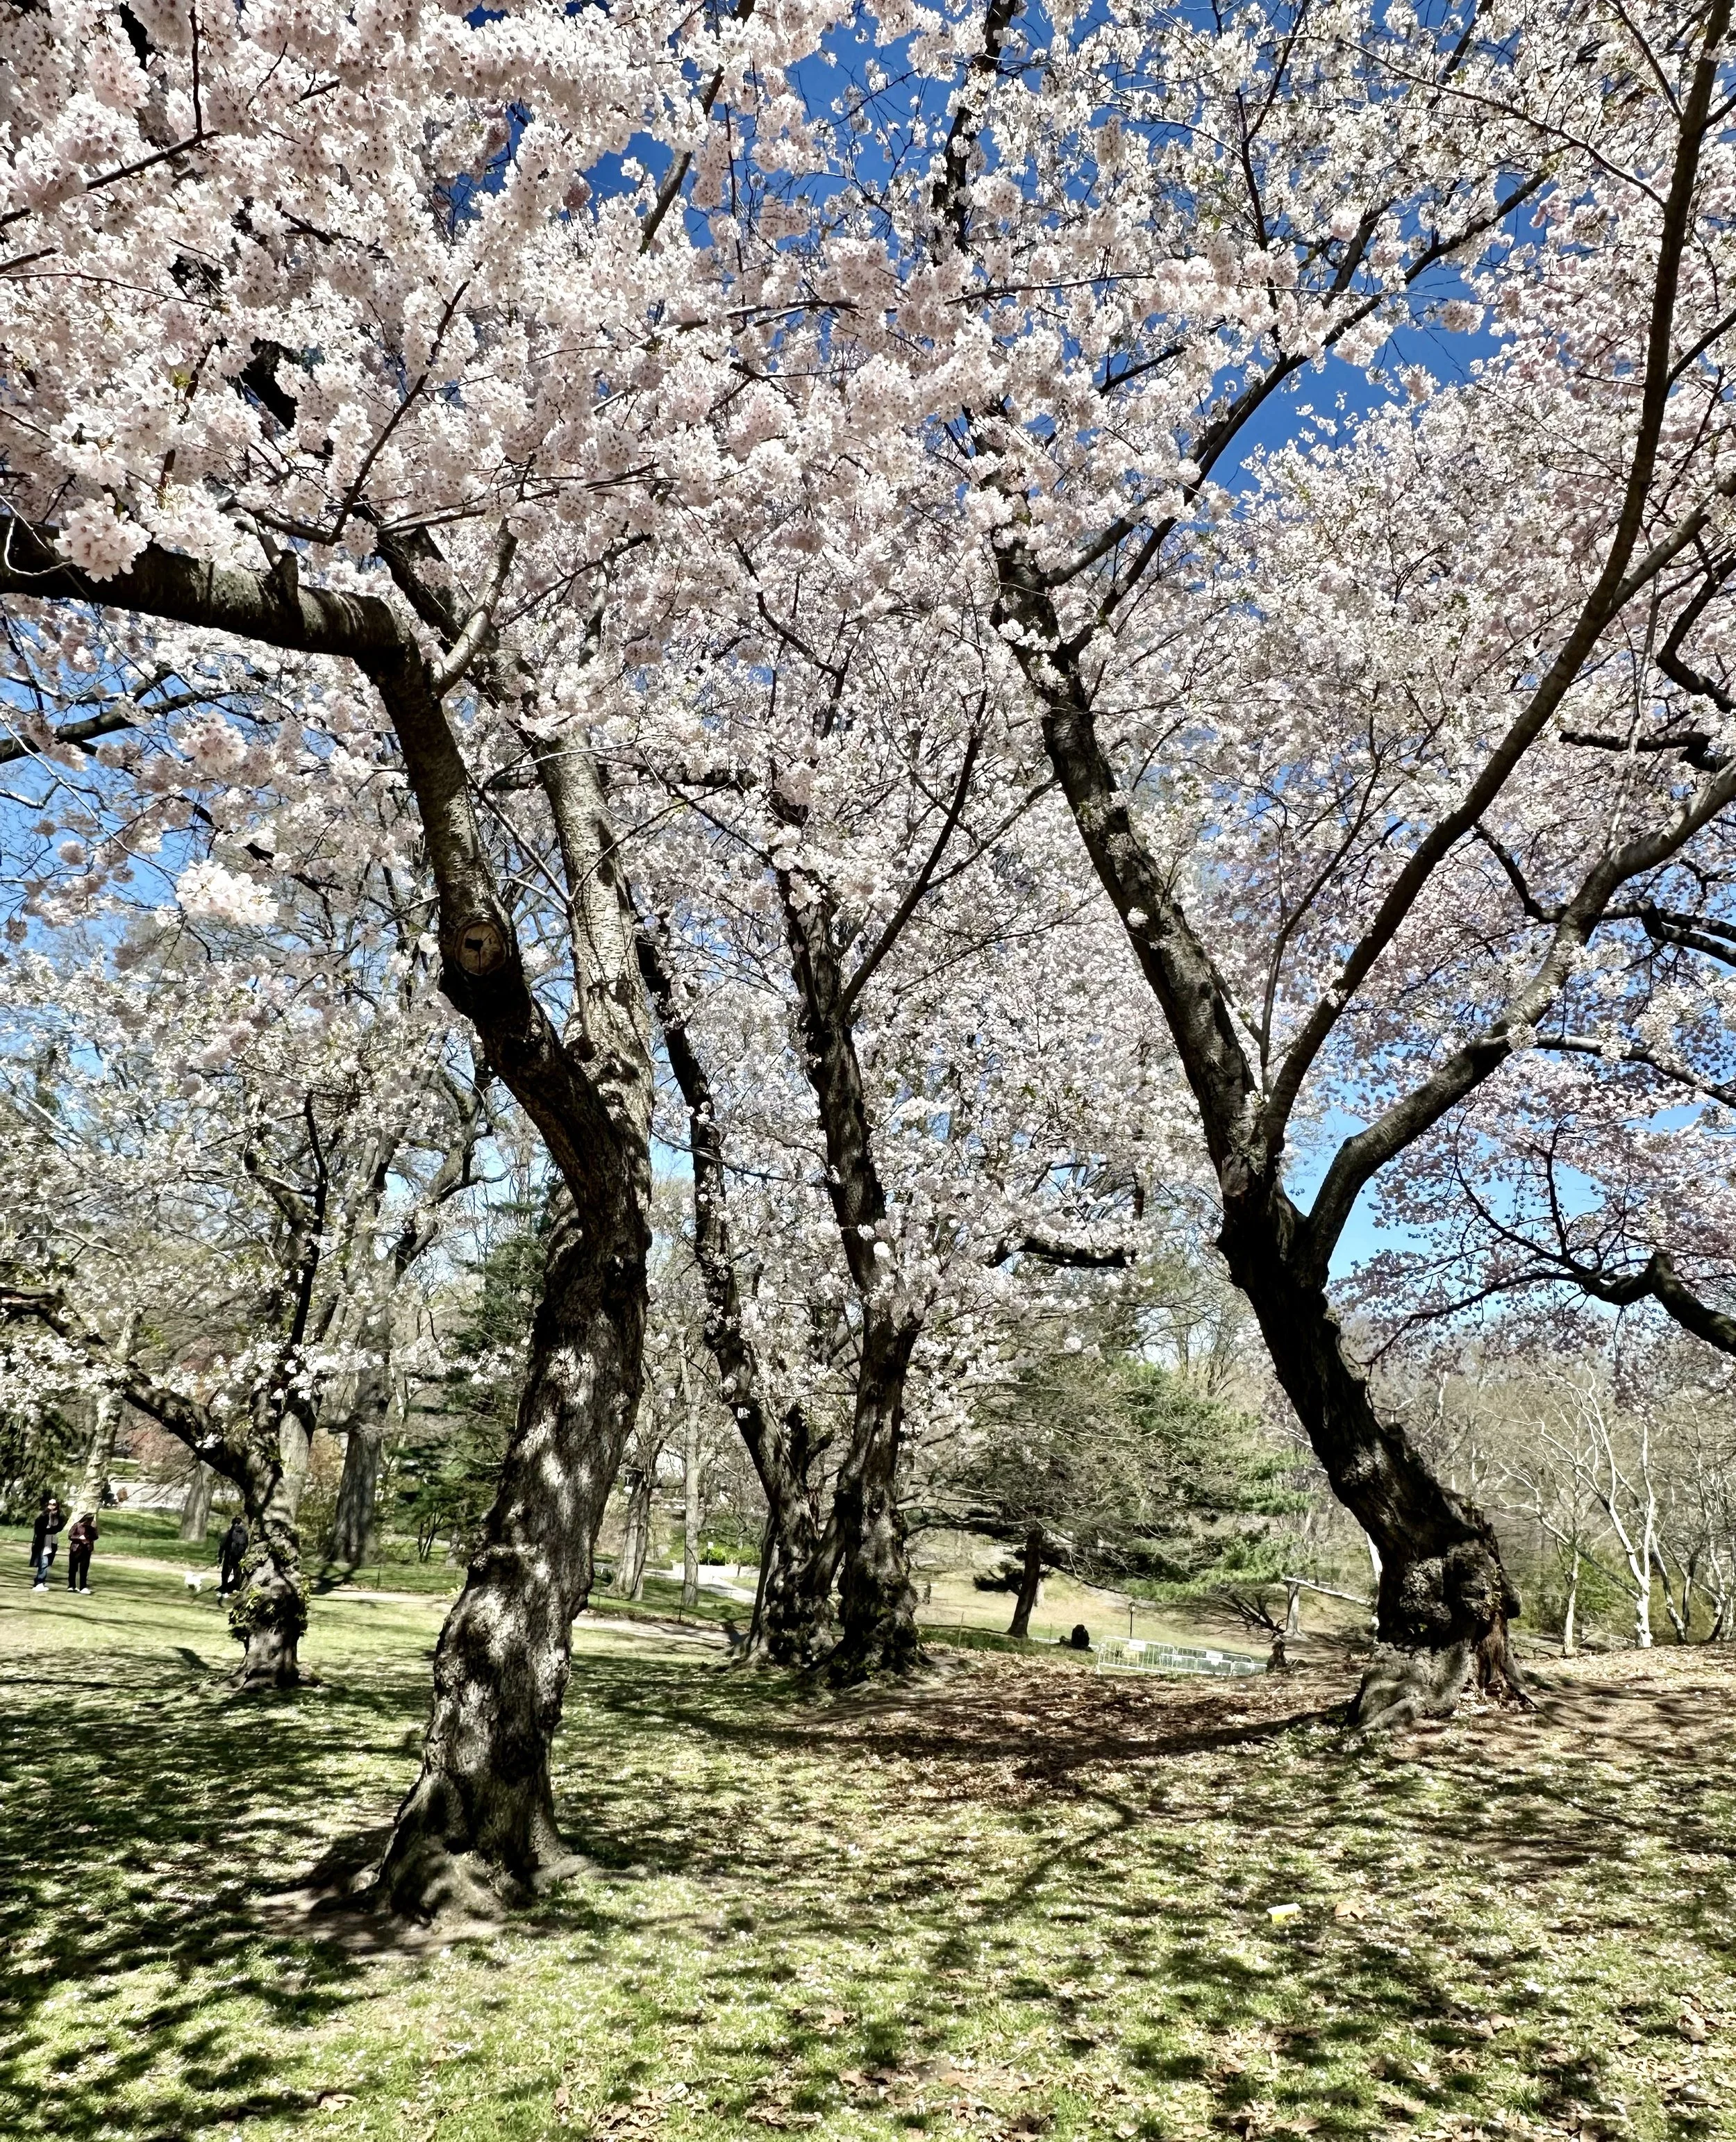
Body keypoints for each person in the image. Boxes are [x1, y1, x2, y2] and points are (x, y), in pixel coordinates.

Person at [28, 1495, 64, 1591]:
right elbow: (38, 1524)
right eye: (50, 1504)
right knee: (44, 1561)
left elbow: (59, 1527)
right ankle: (40, 1581)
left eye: (54, 1504)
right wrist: (47, 1511)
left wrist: (51, 1528)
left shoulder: (59, 1516)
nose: (52, 1506)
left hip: (52, 1539)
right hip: (43, 1539)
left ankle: (39, 1580)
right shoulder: (44, 1515)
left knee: (48, 1561)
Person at [66, 1511, 98, 1593]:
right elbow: (70, 1535)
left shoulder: (92, 1527)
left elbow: (96, 1536)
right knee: (73, 1568)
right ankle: (72, 1585)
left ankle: (83, 1587)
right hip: (76, 1549)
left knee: (84, 1569)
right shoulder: (77, 1525)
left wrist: (91, 1533)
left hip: (87, 1549)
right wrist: (79, 1538)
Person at [218, 1513, 249, 1595]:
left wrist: (220, 1555)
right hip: (239, 1556)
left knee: (225, 1572)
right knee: (237, 1573)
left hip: (229, 1555)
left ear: (233, 1523)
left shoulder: (230, 1532)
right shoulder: (245, 1533)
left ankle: (224, 1587)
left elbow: (223, 1544)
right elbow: (247, 1544)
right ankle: (236, 1587)